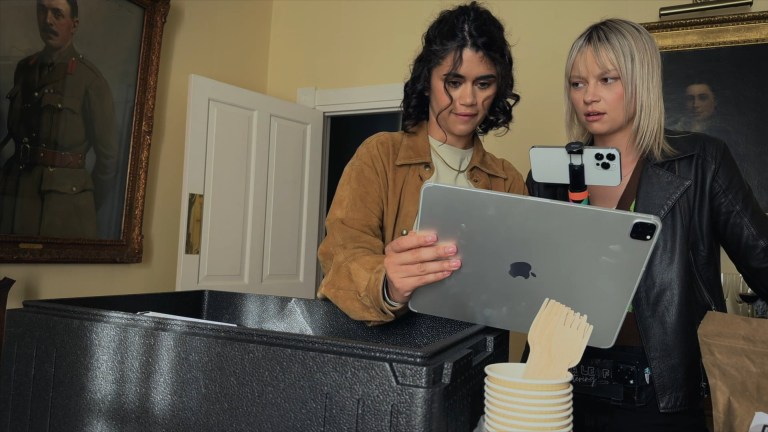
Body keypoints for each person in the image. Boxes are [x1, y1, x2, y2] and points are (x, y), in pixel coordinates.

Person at [526, 18, 768, 431]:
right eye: (577, 83)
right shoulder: (549, 178)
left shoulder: (701, 162)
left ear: (640, 80)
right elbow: (531, 281)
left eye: (607, 79)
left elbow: (762, 257)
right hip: (563, 382)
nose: (589, 96)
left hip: (664, 391)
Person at [317, 1, 527, 324]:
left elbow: (520, 281)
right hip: (392, 352)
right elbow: (341, 253)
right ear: (428, 80)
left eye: (483, 83)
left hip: (475, 355)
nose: (468, 100)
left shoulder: (507, 180)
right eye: (454, 82)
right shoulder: (379, 156)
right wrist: (387, 284)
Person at [0, 0, 118, 238]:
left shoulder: (90, 80)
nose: (48, 20)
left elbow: (109, 160)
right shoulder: (25, 69)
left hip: (63, 208)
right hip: (16, 198)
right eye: (42, 10)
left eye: (57, 13)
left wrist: (81, 203)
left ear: (74, 25)